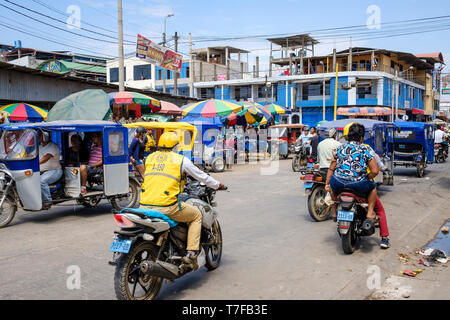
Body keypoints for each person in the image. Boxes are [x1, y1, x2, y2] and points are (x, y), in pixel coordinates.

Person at [140, 132, 225, 269]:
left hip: (144, 205)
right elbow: (201, 175)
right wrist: (217, 184)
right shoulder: (180, 160)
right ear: (175, 147)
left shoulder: (149, 158)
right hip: (166, 206)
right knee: (196, 215)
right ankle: (191, 253)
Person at [325, 123, 379, 224]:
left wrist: (327, 184)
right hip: (358, 184)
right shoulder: (365, 149)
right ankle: (370, 213)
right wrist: (367, 177)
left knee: (332, 187)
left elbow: (331, 168)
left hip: (338, 182)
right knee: (373, 188)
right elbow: (375, 171)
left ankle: (334, 211)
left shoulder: (340, 148)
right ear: (362, 138)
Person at [38, 130, 63, 210]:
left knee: (41, 181)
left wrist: (34, 164)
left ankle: (47, 201)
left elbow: (45, 159)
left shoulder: (53, 146)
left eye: (41, 135)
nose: (39, 137)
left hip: (54, 171)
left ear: (45, 136)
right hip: (41, 171)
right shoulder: (40, 147)